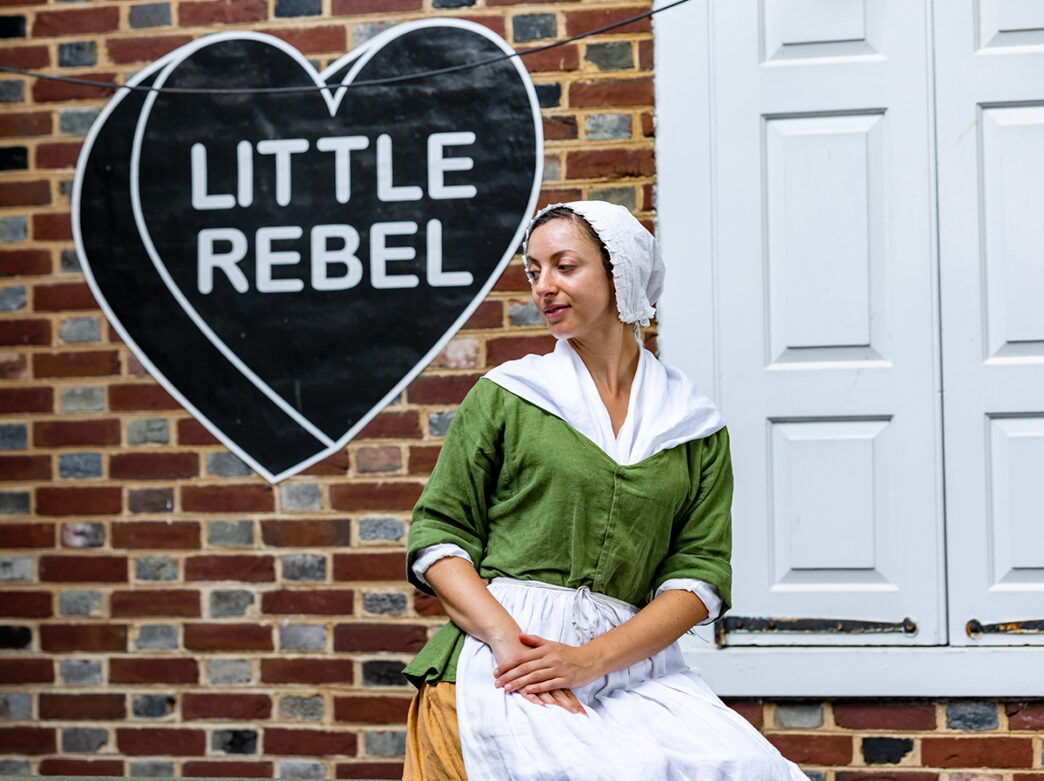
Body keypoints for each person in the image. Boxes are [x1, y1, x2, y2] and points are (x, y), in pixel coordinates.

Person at [402, 201, 807, 780]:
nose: (545, 286)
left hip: (636, 669)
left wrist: (588, 660)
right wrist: (510, 643)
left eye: (565, 266)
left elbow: (700, 574)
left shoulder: (692, 424)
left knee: (747, 767)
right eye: (535, 271)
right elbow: (439, 537)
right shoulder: (508, 396)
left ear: (621, 273)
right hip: (513, 654)